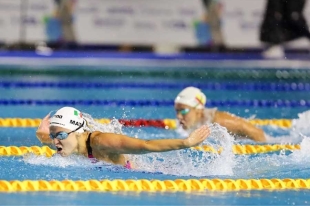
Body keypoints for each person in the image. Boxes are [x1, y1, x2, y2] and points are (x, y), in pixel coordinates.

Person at [36, 107, 211, 168]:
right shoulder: (67, 141)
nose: (55, 141)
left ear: (78, 131)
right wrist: (42, 135)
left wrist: (186, 142)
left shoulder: (101, 142)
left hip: (133, 173)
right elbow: (53, 138)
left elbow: (145, 145)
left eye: (59, 135)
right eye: (53, 136)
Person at [174, 87, 266, 142]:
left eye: (183, 111)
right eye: (177, 111)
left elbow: (258, 133)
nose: (179, 116)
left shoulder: (219, 122)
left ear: (198, 110)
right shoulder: (185, 123)